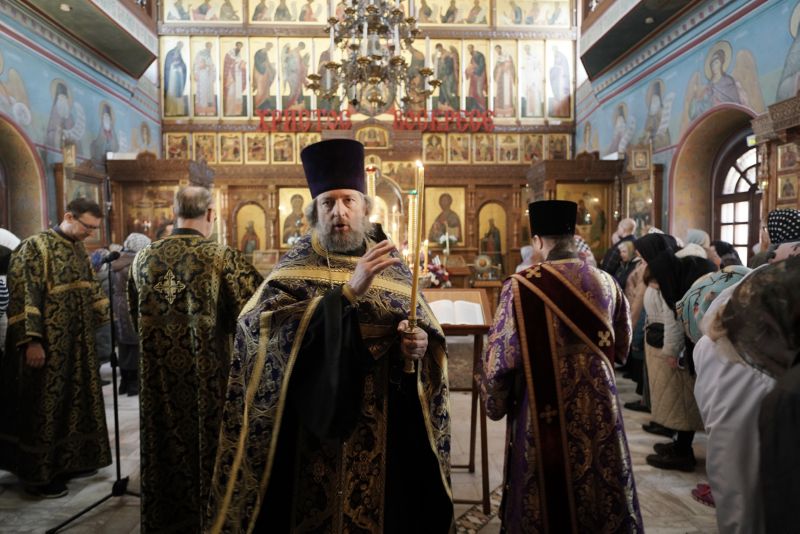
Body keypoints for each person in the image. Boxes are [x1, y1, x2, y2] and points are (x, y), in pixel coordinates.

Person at [206, 139, 453, 533]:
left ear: (365, 208)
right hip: (311, 424)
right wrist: (348, 294)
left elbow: (423, 329)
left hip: (382, 418)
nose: (339, 211)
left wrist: (418, 345)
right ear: (314, 212)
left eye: (348, 201)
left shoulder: (391, 264)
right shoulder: (295, 265)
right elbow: (256, 329)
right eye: (328, 203)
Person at [479, 200, 641, 533]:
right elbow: (623, 347)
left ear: (538, 241)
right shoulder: (608, 283)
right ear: (574, 235)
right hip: (600, 410)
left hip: (542, 411)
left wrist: (494, 401)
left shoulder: (520, 287)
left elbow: (500, 361)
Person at [128, 185, 263, 532]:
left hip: (156, 379)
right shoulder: (222, 257)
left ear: (174, 213)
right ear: (210, 214)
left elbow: (134, 318)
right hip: (209, 380)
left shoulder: (142, 258)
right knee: (209, 448)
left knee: (163, 447)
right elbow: (256, 314)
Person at [0, 198, 111, 498]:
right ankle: (37, 475)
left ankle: (69, 460)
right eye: (87, 226)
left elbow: (93, 288)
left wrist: (108, 319)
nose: (90, 233)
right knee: (43, 408)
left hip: (77, 346)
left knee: (73, 404)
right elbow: (24, 295)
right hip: (46, 347)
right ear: (68, 216)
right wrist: (32, 341)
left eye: (94, 228)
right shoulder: (36, 247)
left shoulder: (77, 249)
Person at [110, 232, 150, 397]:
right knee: (134, 344)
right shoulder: (135, 262)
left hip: (118, 304)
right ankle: (134, 384)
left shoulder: (118, 260)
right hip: (131, 303)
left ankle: (125, 383)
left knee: (124, 345)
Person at [223, 41, 247, 116]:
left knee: (237, 93)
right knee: (231, 93)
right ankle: (230, 111)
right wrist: (234, 63)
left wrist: (242, 64)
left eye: (241, 46)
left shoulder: (239, 55)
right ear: (236, 45)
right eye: (239, 46)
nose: (239, 47)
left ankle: (237, 112)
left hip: (238, 76)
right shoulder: (229, 54)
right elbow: (227, 63)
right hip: (231, 77)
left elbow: (240, 64)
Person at [193, 42, 217, 116]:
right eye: (208, 46)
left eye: (211, 46)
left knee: (209, 93)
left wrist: (213, 74)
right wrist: (196, 73)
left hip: (209, 76)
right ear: (206, 46)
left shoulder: (210, 55)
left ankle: (209, 110)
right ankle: (202, 110)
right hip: (202, 75)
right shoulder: (200, 53)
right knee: (202, 92)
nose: (209, 48)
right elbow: (196, 64)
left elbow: (212, 65)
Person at [493, 44, 515, 117]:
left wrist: (501, 67)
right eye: (496, 50)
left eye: (498, 49)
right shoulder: (499, 58)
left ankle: (508, 112)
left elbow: (509, 64)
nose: (497, 51)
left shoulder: (507, 55)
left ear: (500, 48)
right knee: (500, 94)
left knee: (507, 94)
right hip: (500, 79)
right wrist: (497, 70)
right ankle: (500, 112)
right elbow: (496, 67)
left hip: (506, 77)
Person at [465, 44, 487, 111]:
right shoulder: (473, 57)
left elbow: (481, 66)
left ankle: (482, 108)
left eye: (470, 48)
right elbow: (471, 65)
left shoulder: (478, 55)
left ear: (473, 48)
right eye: (468, 49)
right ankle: (475, 108)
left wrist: (474, 71)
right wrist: (467, 70)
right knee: (473, 92)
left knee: (478, 91)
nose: (469, 50)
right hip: (474, 76)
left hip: (479, 76)